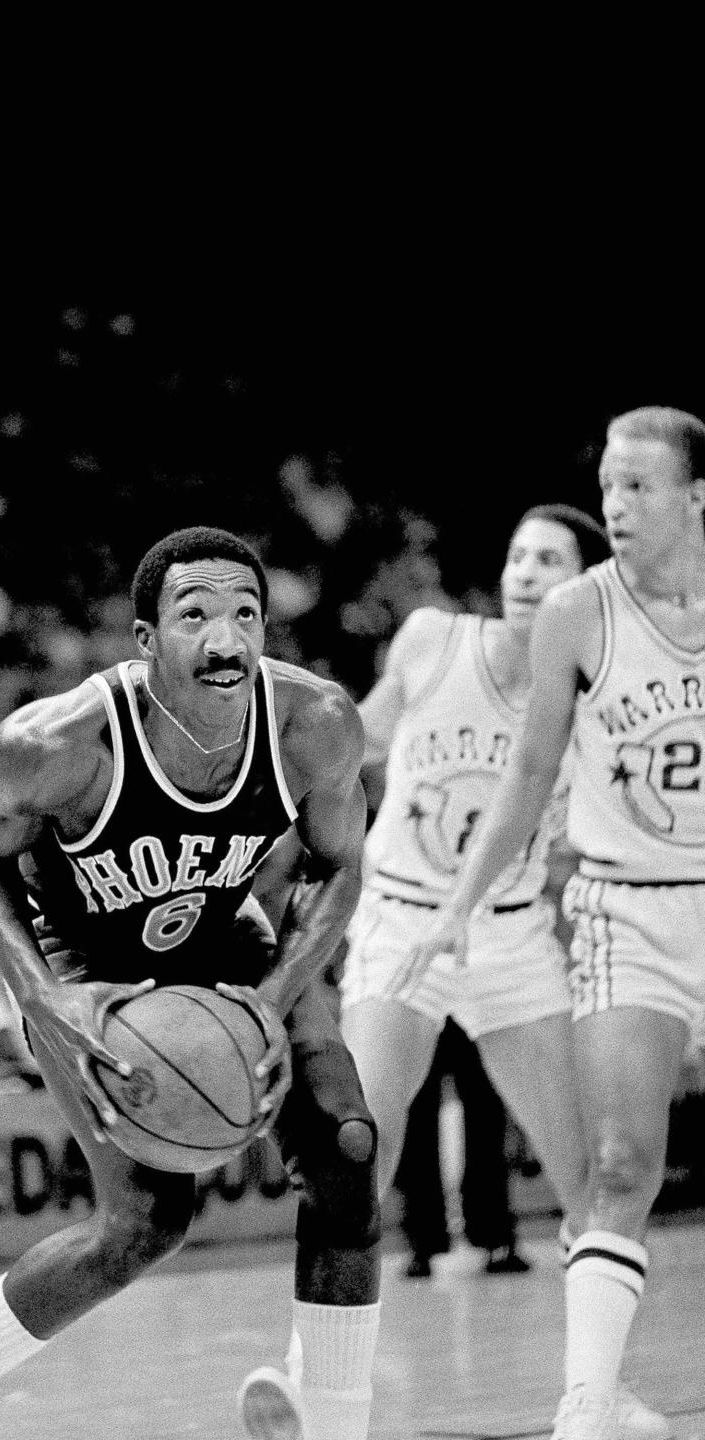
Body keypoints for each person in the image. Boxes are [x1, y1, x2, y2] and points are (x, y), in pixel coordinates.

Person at [0, 524, 382, 1440]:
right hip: (85, 966)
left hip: (224, 940)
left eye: (246, 614)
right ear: (146, 639)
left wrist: (273, 1002)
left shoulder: (313, 722)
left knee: (349, 1154)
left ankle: (337, 1426)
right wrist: (40, 995)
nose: (225, 638)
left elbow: (338, 865)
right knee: (142, 1226)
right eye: (194, 614)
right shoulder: (57, 742)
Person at [249, 502, 666, 1439]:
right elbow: (348, 742)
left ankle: (601, 1391)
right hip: (402, 925)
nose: (524, 572)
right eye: (517, 554)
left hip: (511, 941)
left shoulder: (597, 703)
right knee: (364, 1142)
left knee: (589, 1176)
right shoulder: (437, 639)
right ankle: (306, 1374)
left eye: (549, 559)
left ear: (585, 589)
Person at [401, 407, 705, 1440]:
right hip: (630, 908)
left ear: (696, 495)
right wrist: (455, 908)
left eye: (640, 487)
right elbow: (527, 777)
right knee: (619, 1165)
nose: (617, 506)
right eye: (609, 487)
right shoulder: (582, 610)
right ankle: (586, 1407)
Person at [393, 1016, 532, 1278]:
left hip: (462, 993)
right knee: (422, 1115)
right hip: (428, 994)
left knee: (484, 1112)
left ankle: (489, 1237)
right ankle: (427, 1242)